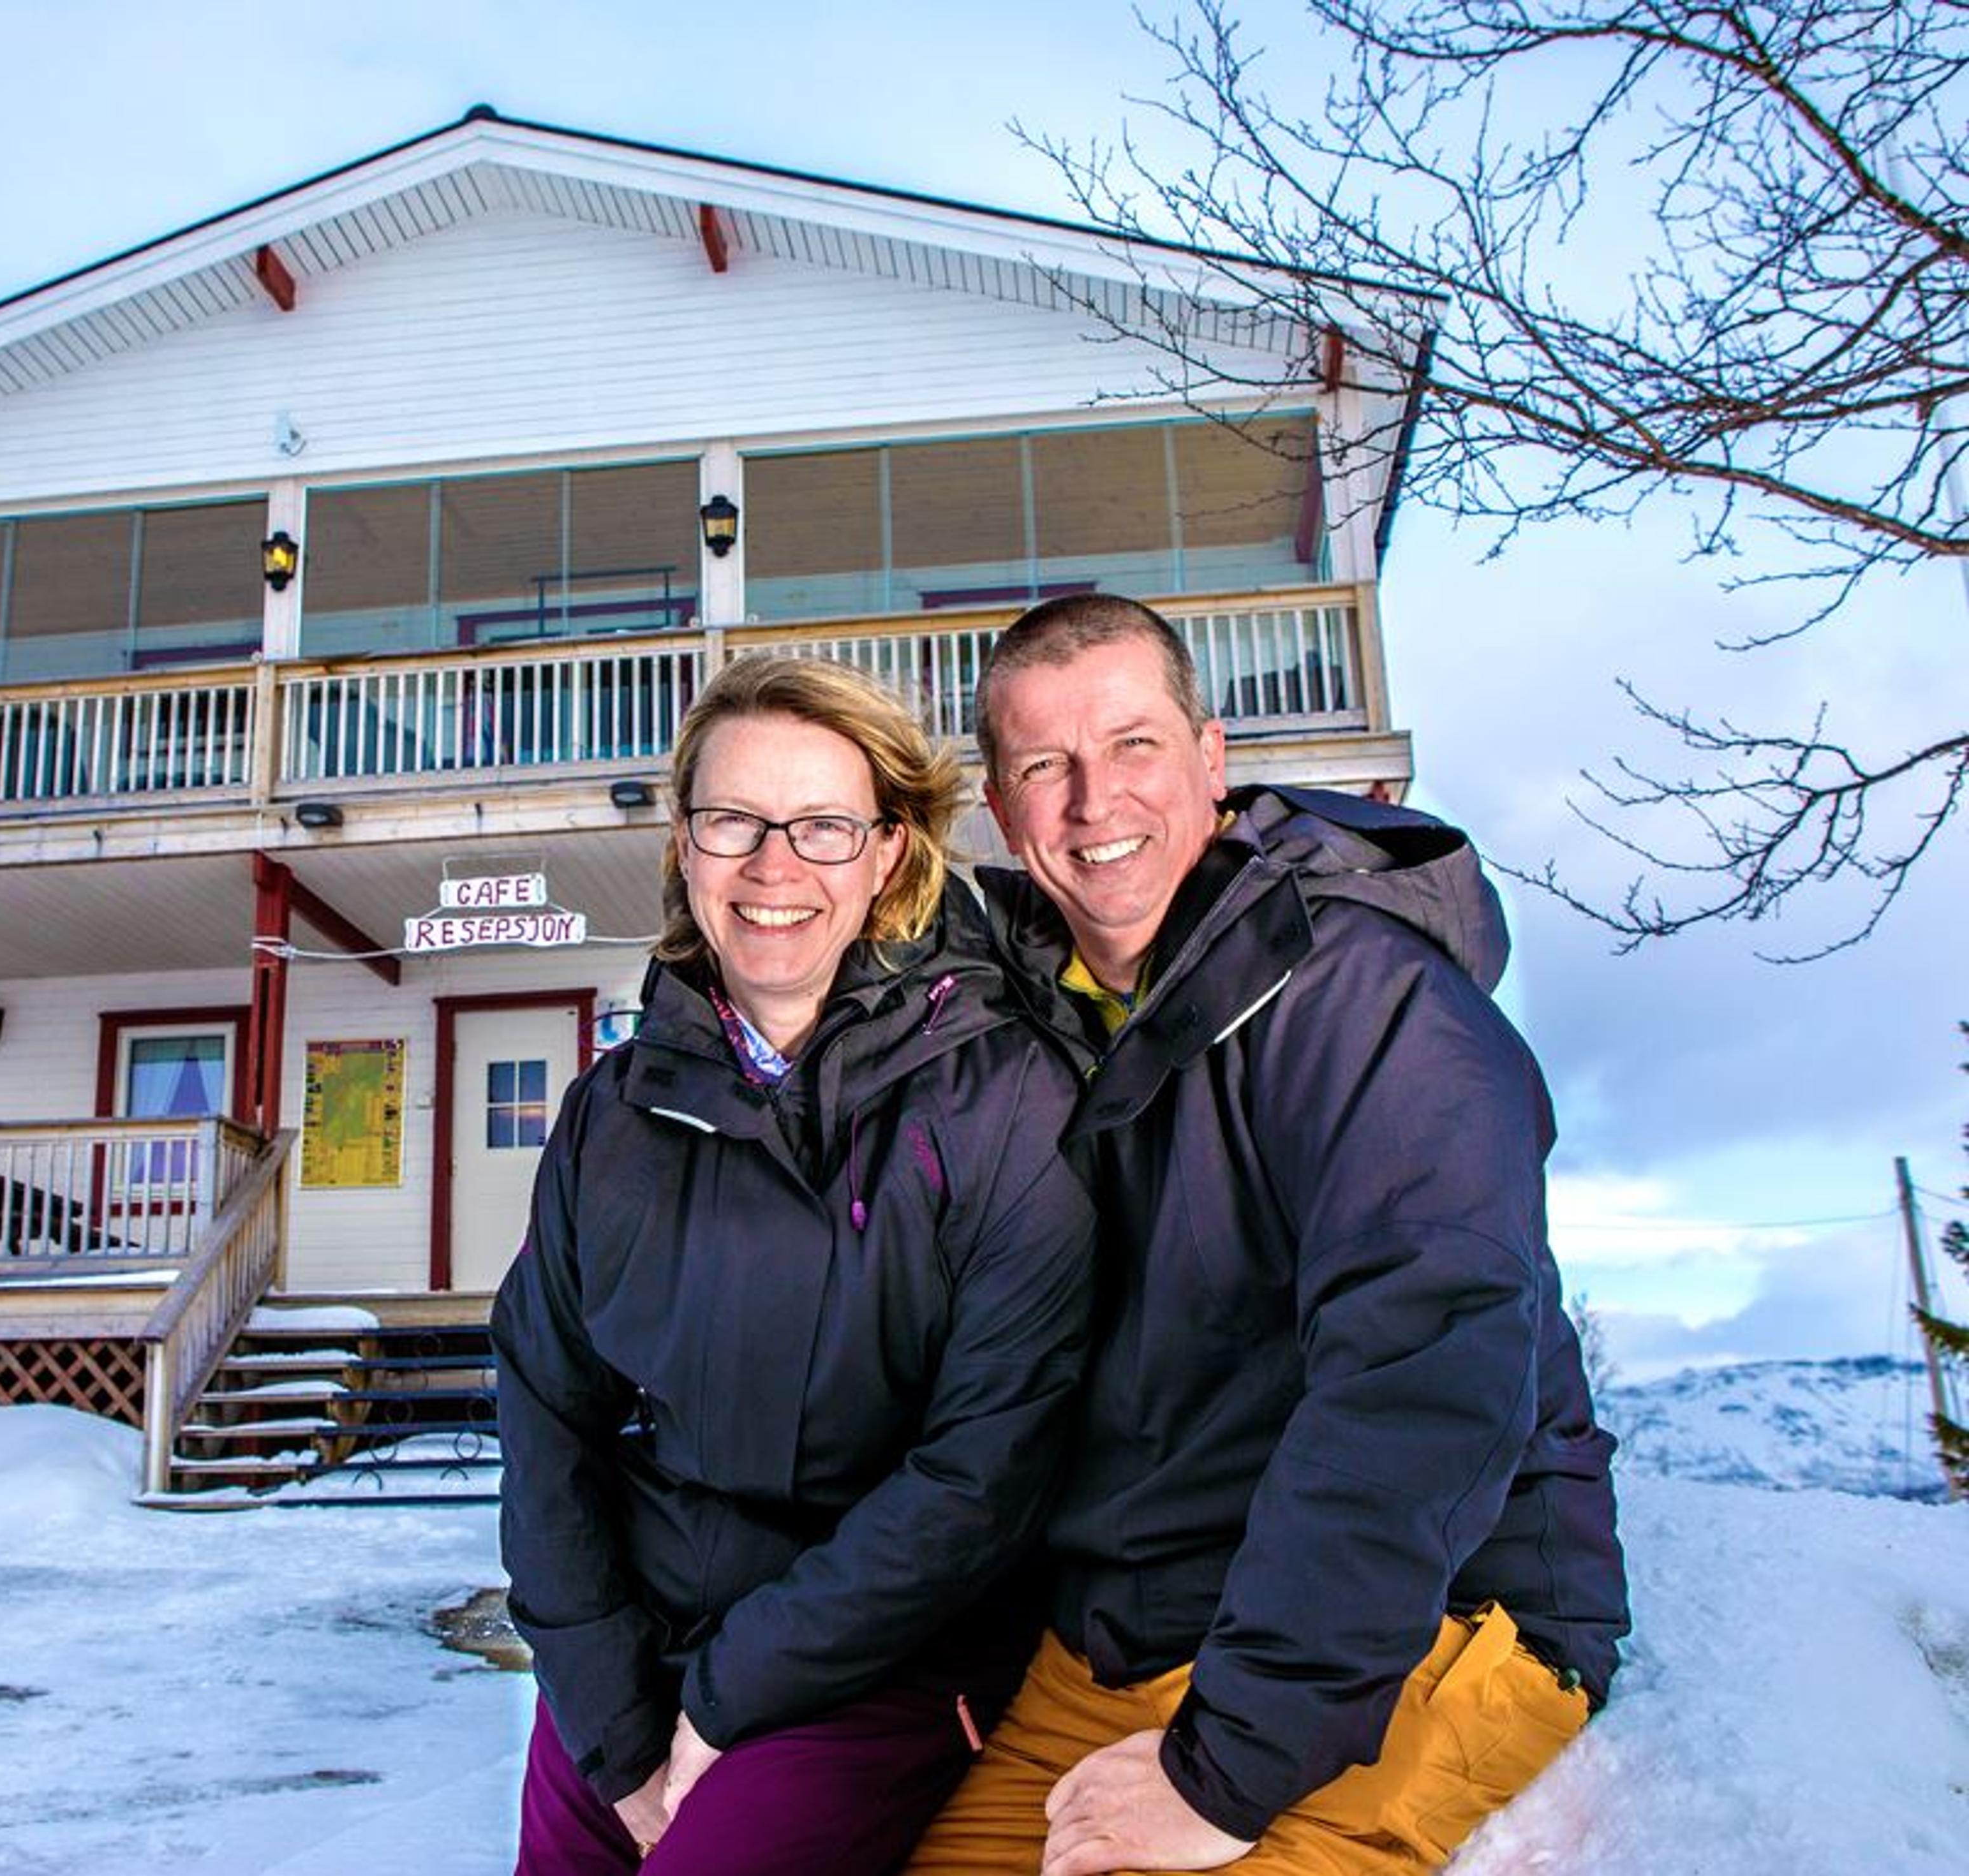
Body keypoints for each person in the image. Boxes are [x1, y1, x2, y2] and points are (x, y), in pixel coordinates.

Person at [907, 595, 1630, 1876]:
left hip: (1429, 1629)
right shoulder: (1037, 1030)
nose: (1092, 800)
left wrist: (1228, 1769)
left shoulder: (1369, 1002)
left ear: (1211, 758)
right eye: (1044, 766)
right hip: (1122, 1641)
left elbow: (1425, 1370)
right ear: (1004, 811)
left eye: (1133, 745)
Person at [493, 653, 1099, 1875]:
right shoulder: (614, 1113)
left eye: (824, 825)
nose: (775, 866)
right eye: (734, 821)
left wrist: (723, 1700)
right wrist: (613, 1712)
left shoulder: (1001, 1102)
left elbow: (984, 1471)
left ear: (889, 852)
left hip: (883, 1653)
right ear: (685, 843)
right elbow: (544, 1405)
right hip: (639, 1649)